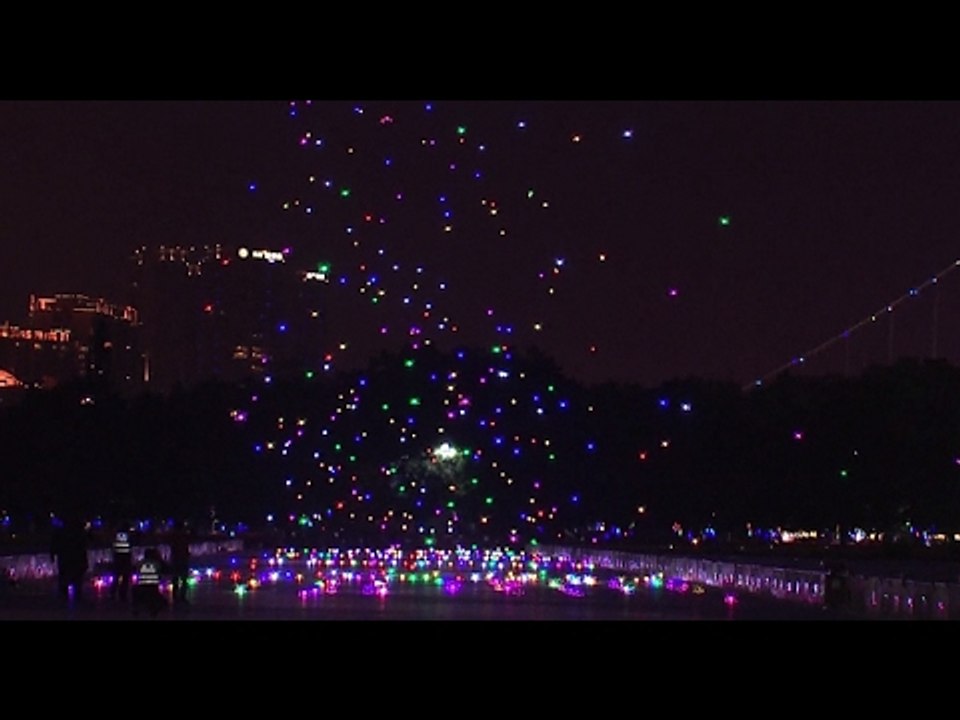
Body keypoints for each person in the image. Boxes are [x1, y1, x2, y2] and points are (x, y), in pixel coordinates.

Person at [50, 511, 89, 601]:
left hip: (66, 558)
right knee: (75, 578)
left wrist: (52, 554)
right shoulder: (79, 532)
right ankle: (74, 594)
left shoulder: (61, 532)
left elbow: (55, 543)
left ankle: (65, 595)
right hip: (74, 558)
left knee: (66, 577)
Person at [132, 547, 167, 618]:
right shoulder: (156, 563)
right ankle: (154, 610)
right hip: (153, 586)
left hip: (142, 585)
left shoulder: (140, 563)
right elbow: (161, 572)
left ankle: (137, 609)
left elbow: (136, 570)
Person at [167, 520, 191, 604]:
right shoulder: (184, 536)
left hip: (176, 559)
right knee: (183, 579)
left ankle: (175, 597)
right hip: (182, 559)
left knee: (176, 579)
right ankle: (182, 597)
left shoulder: (174, 536)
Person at [110, 520, 134, 601]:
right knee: (125, 577)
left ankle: (112, 593)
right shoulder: (129, 535)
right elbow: (132, 544)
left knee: (116, 576)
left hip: (118, 557)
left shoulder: (116, 535)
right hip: (125, 558)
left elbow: (113, 545)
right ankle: (122, 594)